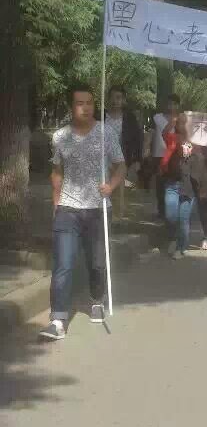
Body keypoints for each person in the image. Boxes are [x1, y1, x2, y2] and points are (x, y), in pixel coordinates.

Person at [39, 84, 126, 340]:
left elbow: (121, 166)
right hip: (68, 208)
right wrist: (56, 203)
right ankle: (58, 319)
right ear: (71, 107)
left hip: (98, 209)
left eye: (89, 103)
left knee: (97, 263)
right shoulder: (60, 136)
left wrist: (111, 186)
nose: (86, 108)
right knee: (63, 264)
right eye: (80, 103)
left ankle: (97, 299)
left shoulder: (106, 133)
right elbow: (57, 171)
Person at [161, 114, 207, 257]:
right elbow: (164, 133)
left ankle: (180, 247)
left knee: (183, 219)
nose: (183, 126)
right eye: (180, 123)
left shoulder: (197, 144)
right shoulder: (173, 138)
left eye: (185, 123)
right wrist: (172, 121)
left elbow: (202, 164)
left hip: (188, 187)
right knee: (170, 215)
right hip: (172, 184)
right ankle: (173, 239)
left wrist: (192, 153)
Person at [103, 85, 143, 218]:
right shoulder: (101, 116)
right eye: (112, 97)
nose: (115, 101)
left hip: (122, 156)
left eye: (118, 97)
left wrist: (137, 160)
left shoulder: (129, 118)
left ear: (124, 100)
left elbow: (137, 139)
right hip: (103, 156)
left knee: (119, 184)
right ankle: (106, 213)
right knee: (105, 184)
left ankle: (118, 214)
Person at [149, 94, 181, 219]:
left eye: (174, 104)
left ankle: (173, 210)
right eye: (169, 103)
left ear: (178, 105)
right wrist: (147, 149)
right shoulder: (157, 117)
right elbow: (157, 133)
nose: (171, 106)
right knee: (160, 183)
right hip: (159, 154)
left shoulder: (181, 119)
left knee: (173, 182)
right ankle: (161, 210)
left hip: (175, 155)